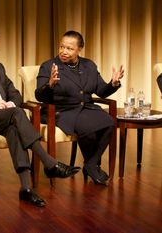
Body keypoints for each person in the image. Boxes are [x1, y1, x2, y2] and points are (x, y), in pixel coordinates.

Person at [0, 33, 81, 207]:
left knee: (14, 128)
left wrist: (9, 103)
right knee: (17, 114)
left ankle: (26, 189)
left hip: (3, 117)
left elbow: (15, 94)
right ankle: (49, 163)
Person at [35, 30, 124, 186]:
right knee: (88, 128)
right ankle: (93, 166)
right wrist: (49, 85)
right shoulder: (49, 66)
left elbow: (101, 90)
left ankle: (90, 164)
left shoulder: (89, 65)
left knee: (110, 123)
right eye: (61, 47)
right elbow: (39, 96)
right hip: (61, 111)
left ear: (79, 49)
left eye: (69, 48)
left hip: (87, 108)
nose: (63, 51)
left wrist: (113, 83)